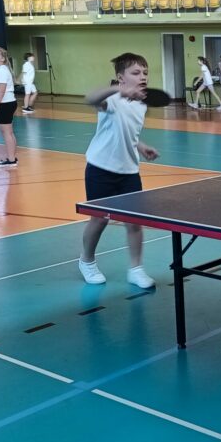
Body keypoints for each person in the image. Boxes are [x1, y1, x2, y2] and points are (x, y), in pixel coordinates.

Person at [78, 53, 160, 288]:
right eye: (136, 73)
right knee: (99, 220)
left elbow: (127, 130)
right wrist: (118, 91)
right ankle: (87, 261)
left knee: (134, 222)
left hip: (129, 171)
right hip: (101, 168)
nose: (143, 77)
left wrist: (141, 146)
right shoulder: (112, 99)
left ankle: (136, 269)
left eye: (145, 73)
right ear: (120, 77)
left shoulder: (141, 104)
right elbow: (90, 98)